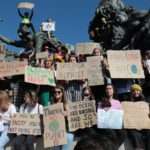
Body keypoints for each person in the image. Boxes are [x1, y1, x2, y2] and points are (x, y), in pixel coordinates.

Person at [52, 85, 74, 150]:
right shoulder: (51, 104)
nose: (56, 93)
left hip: (67, 132)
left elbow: (73, 116)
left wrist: (67, 114)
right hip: (55, 132)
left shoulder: (67, 103)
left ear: (62, 93)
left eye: (59, 92)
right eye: (55, 92)